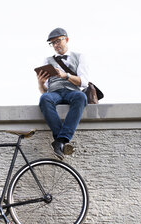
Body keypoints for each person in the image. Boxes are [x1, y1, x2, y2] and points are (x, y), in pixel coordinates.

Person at [37, 27, 89, 160]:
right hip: (55, 92)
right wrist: (41, 83)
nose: (55, 45)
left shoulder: (79, 56)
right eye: (53, 43)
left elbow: (83, 82)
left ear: (66, 39)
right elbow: (45, 91)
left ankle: (60, 140)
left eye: (58, 41)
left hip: (72, 92)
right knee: (44, 98)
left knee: (81, 97)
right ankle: (61, 140)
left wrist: (66, 76)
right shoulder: (47, 60)